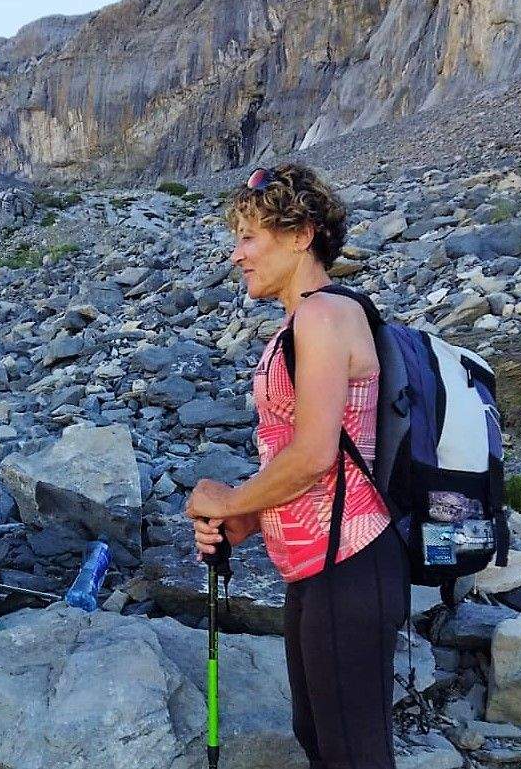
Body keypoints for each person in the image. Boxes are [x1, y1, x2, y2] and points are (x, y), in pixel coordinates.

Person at [185, 164, 409, 769]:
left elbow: (315, 456)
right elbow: (313, 458)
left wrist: (230, 502)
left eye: (249, 237)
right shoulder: (298, 324)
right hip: (316, 568)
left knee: (353, 755)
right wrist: (249, 521)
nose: (237, 256)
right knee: (319, 740)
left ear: (301, 234)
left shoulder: (322, 316)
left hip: (351, 565)